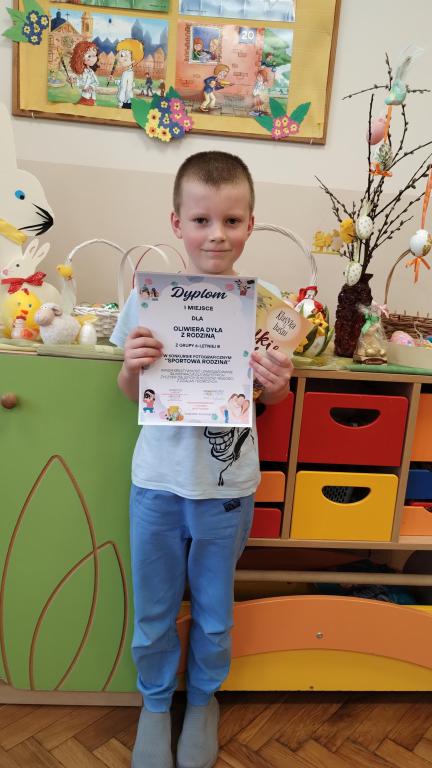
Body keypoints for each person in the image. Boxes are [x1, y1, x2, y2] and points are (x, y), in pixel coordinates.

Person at [111, 151, 293, 768]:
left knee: (214, 613)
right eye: (201, 220)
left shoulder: (265, 306)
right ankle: (155, 704)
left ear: (250, 224)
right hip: (158, 483)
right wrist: (131, 368)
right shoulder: (147, 300)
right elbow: (129, 392)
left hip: (226, 487)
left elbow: (273, 398)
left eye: (232, 221)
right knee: (155, 608)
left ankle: (203, 701)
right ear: (177, 223)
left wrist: (279, 384)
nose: (217, 234)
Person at [115, 38, 144, 109]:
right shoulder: (129, 72)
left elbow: (124, 88)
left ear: (133, 60)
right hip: (127, 102)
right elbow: (124, 84)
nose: (119, 59)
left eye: (122, 55)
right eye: (120, 55)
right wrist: (114, 81)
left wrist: (120, 103)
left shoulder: (128, 73)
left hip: (125, 103)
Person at [69, 41, 100, 106]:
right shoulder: (82, 71)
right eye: (89, 56)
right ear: (80, 57)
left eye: (94, 55)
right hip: (85, 97)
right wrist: (72, 79)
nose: (93, 59)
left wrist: (91, 87)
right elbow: (78, 81)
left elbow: (96, 82)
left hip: (92, 97)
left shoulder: (90, 71)